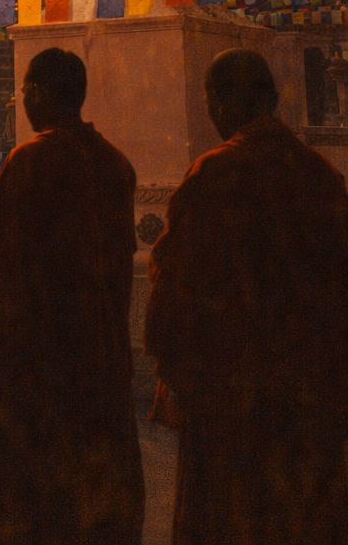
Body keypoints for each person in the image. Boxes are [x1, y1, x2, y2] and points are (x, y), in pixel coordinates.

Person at [144, 47, 348, 544]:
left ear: (221, 103)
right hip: (312, 405)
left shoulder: (214, 174)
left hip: (231, 406)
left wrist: (172, 375)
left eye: (212, 100)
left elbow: (173, 297)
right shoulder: (323, 177)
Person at [0, 47, 144, 545]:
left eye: (23, 93)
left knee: (22, 510)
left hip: (34, 369)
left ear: (38, 95)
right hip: (100, 362)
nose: (22, 102)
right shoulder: (116, 165)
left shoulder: (30, 160)